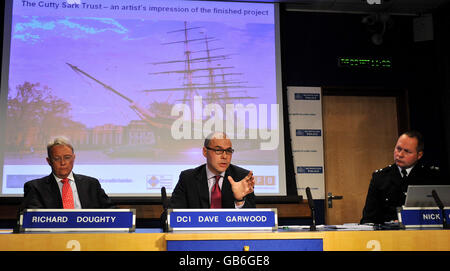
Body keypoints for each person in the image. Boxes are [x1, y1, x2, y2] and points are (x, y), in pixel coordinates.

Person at [360, 131, 442, 224]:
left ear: (419, 155)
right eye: (398, 149)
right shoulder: (380, 178)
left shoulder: (432, 177)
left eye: (407, 151)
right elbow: (368, 218)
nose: (400, 155)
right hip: (389, 235)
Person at [21, 137, 114, 209]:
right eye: (57, 159)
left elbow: (113, 212)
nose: (63, 163)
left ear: (73, 158)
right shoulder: (36, 188)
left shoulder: (91, 184)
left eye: (67, 157)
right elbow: (31, 219)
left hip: (87, 233)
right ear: (49, 161)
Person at [169, 132, 256, 208]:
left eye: (228, 151)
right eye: (218, 150)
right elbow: (170, 216)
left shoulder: (241, 177)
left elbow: (254, 220)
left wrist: (239, 200)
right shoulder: (188, 178)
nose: (224, 156)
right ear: (205, 152)